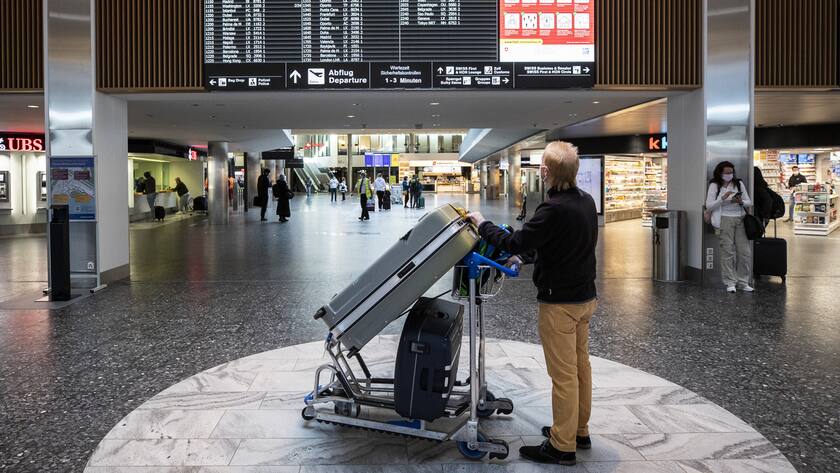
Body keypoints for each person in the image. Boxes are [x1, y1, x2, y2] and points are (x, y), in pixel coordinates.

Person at [467, 141, 598, 466]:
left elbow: (514, 240)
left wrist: (482, 223)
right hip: (585, 298)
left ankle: (561, 446)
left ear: (546, 172)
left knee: (563, 375)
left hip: (560, 305)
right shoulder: (585, 201)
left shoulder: (553, 209)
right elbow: (556, 244)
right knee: (580, 367)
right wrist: (526, 256)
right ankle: (577, 430)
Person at [705, 161, 753, 293]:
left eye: (731, 172)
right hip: (724, 220)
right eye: (726, 172)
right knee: (727, 251)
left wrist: (740, 201)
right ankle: (730, 282)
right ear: (720, 173)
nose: (729, 175)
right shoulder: (715, 185)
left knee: (744, 252)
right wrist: (722, 198)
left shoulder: (739, 183)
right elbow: (709, 206)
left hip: (740, 219)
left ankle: (743, 282)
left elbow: (749, 202)